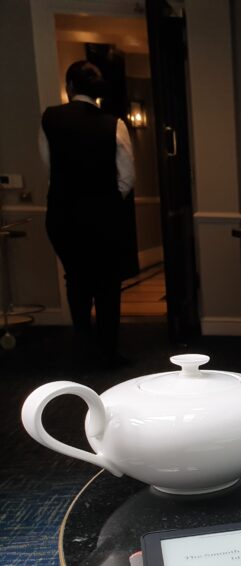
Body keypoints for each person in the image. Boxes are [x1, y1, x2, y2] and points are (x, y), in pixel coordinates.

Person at [40, 60, 136, 367]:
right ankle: (108, 351)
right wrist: (106, 200)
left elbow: (48, 163)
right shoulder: (114, 124)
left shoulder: (50, 119)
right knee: (108, 284)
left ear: (69, 87)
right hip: (104, 216)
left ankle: (83, 347)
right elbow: (126, 177)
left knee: (76, 280)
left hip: (63, 215)